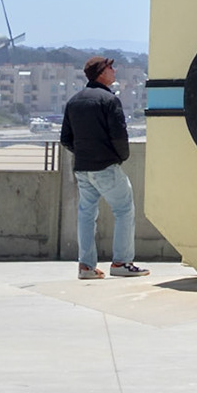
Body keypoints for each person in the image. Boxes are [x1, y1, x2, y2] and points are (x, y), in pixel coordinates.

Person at [60, 56, 148, 280]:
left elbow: (65, 139)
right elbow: (119, 136)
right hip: (106, 166)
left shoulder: (74, 101)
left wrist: (83, 153)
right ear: (101, 73)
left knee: (86, 215)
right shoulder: (109, 100)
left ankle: (86, 266)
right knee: (124, 209)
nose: (114, 71)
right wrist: (120, 156)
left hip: (82, 168)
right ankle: (121, 262)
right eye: (110, 68)